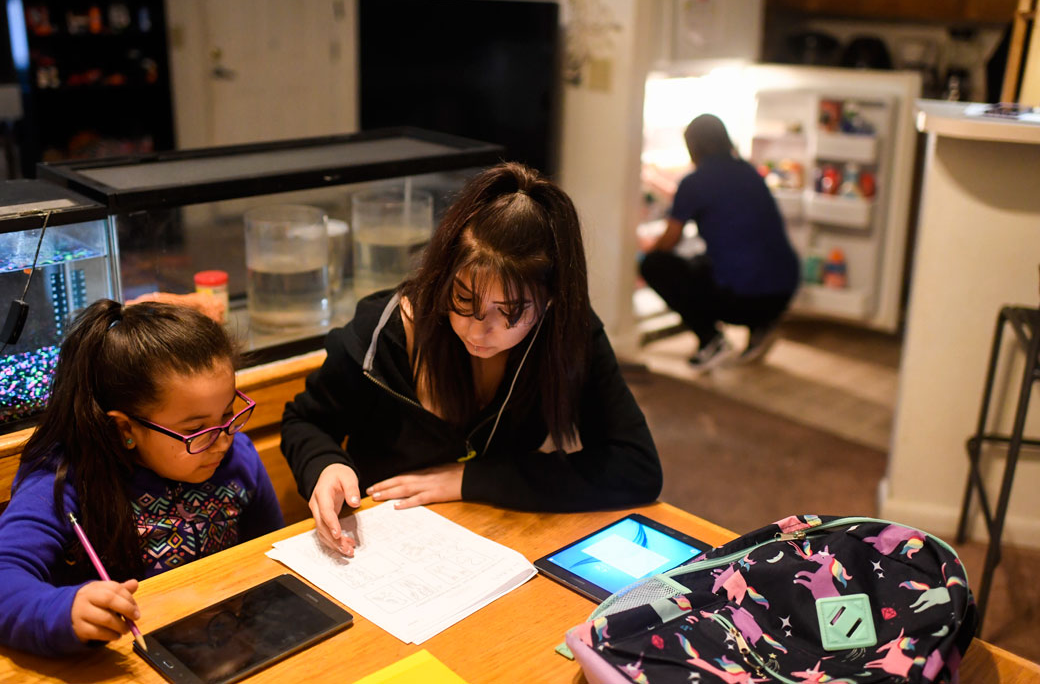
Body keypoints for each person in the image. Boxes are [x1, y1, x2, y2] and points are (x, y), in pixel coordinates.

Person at [282, 162, 662, 555]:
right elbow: (304, 422)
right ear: (444, 276)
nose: (479, 331)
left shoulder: (568, 333)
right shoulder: (380, 336)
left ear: (550, 301)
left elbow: (636, 467)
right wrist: (325, 465)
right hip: (384, 545)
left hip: (500, 540)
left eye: (511, 312)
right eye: (464, 299)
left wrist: (471, 480)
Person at [0, 300, 284, 656]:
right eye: (196, 429)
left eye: (228, 414)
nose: (222, 440)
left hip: (227, 647)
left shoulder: (237, 457)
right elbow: (4, 574)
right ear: (125, 428)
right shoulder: (64, 482)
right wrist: (62, 610)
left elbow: (272, 555)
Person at [640, 113, 800, 371]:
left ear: (693, 147)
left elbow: (669, 241)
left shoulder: (694, 183)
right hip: (783, 292)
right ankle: (761, 326)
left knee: (654, 265)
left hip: (743, 300)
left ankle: (711, 340)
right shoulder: (748, 171)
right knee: (715, 262)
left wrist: (640, 250)